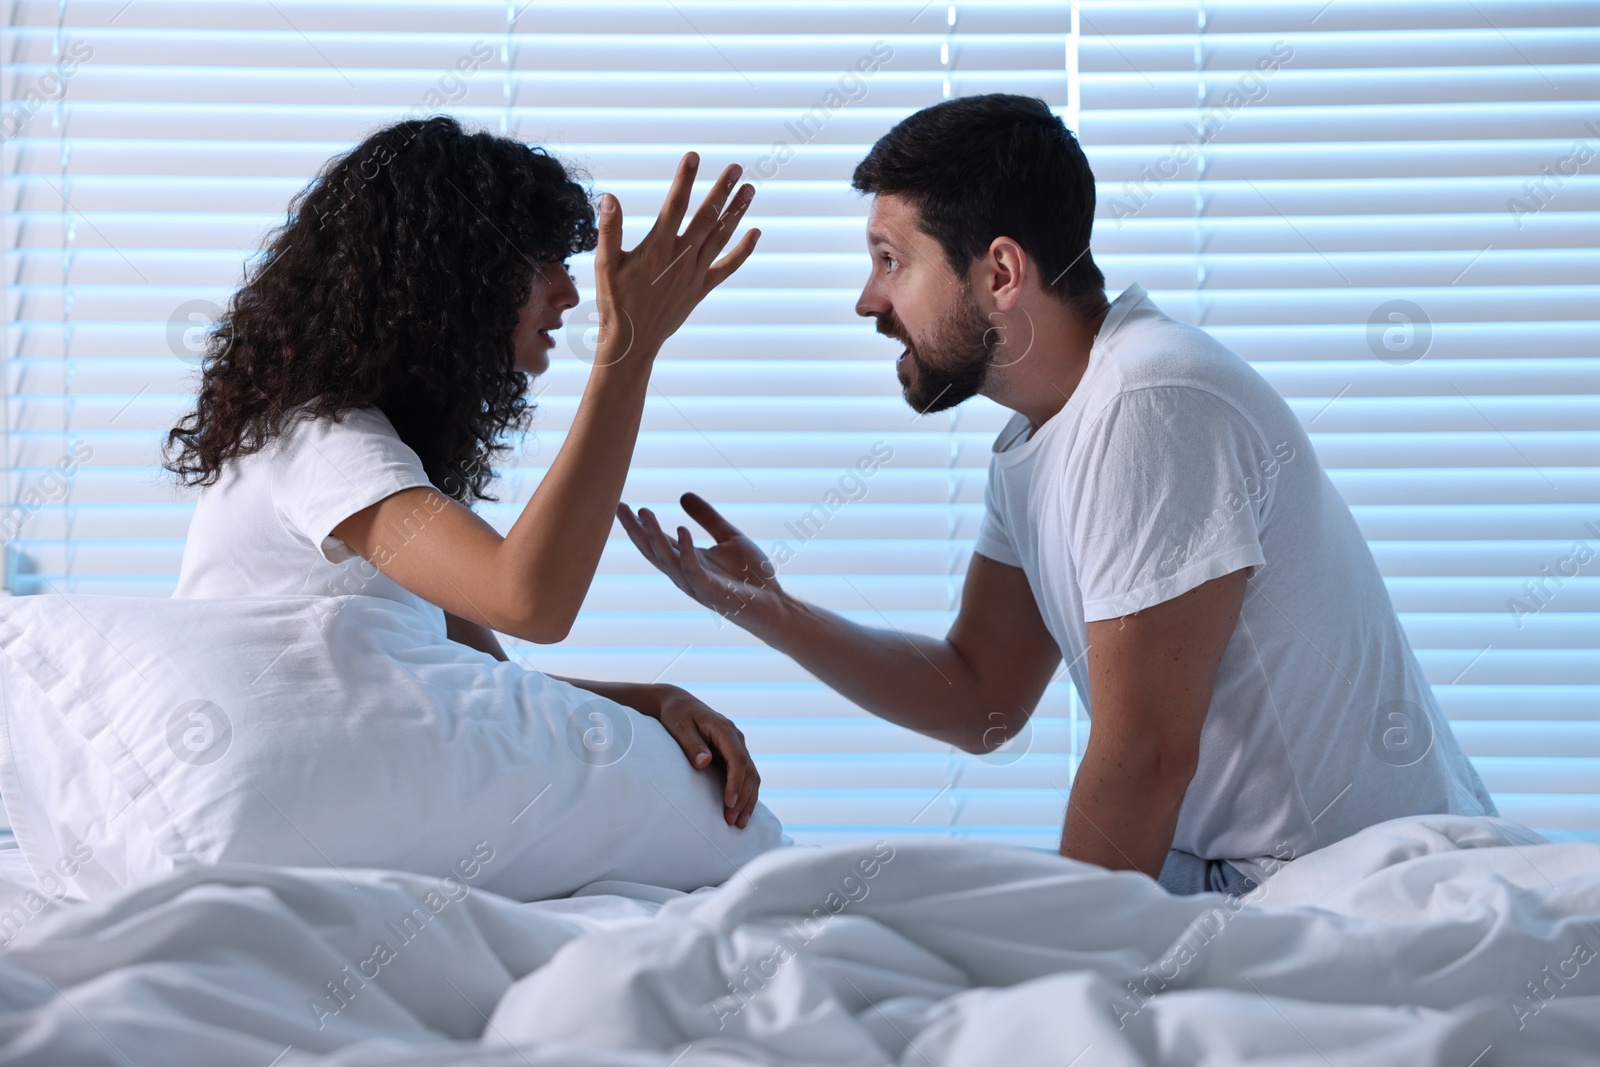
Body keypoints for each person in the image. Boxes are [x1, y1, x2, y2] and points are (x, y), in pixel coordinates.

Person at [618, 93, 1497, 892]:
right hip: (1244, 877)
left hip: (1355, 888)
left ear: (1001, 273)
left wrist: (1057, 976)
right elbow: (982, 697)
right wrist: (767, 607)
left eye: (890, 259)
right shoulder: (1039, 435)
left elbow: (1145, 758)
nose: (867, 300)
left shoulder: (1150, 401)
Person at [163, 115, 765, 829]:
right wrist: (627, 352)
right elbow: (529, 600)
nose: (570, 294)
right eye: (542, 262)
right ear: (451, 275)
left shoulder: (365, 460)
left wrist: (650, 698)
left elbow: (496, 682)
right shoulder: (324, 443)